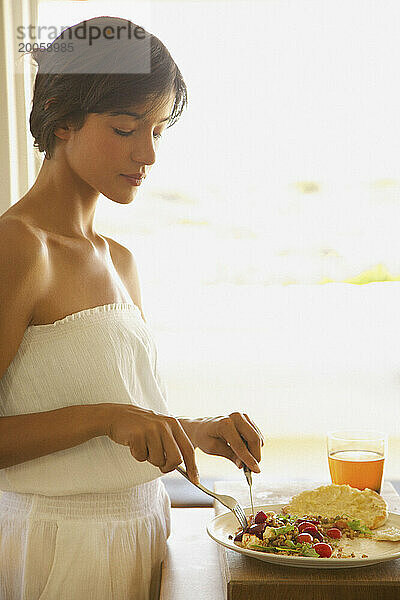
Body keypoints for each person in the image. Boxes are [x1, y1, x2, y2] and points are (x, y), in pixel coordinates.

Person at [0, 15, 264, 600]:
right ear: (63, 119)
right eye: (126, 128)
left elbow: (121, 426)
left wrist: (193, 431)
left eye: (159, 131)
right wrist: (105, 415)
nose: (147, 153)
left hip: (144, 536)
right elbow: (105, 415)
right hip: (60, 552)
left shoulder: (119, 261)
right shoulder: (18, 247)